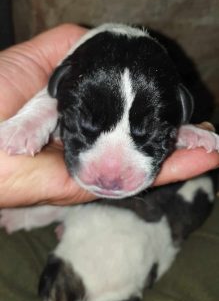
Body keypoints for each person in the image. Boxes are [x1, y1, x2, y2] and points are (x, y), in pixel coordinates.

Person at [0, 23, 218, 208]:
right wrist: (32, 119)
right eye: (86, 125)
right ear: (59, 81)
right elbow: (51, 98)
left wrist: (177, 132)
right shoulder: (74, 73)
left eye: (149, 133)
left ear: (183, 106)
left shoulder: (168, 100)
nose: (110, 176)